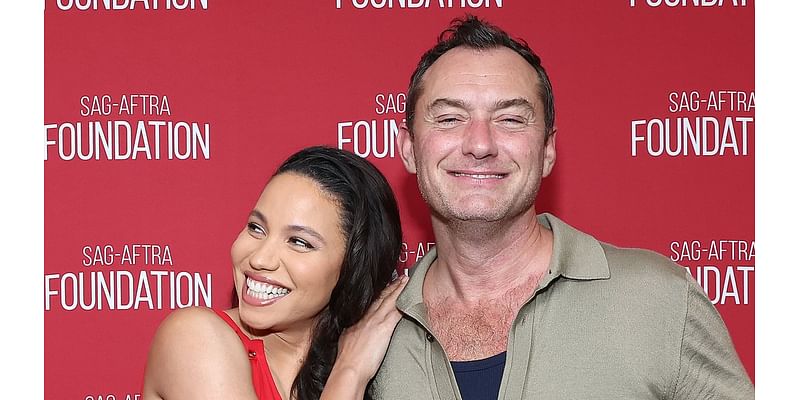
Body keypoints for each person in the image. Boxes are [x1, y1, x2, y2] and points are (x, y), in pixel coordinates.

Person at [372, 15, 755, 400]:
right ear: (408, 148)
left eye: (510, 119)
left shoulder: (659, 299)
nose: (480, 143)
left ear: (548, 150)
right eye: (450, 118)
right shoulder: (369, 336)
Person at [142, 146, 408, 400]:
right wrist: (349, 374)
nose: (259, 258)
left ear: (353, 268)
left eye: (299, 242)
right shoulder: (194, 337)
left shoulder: (387, 362)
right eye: (256, 228)